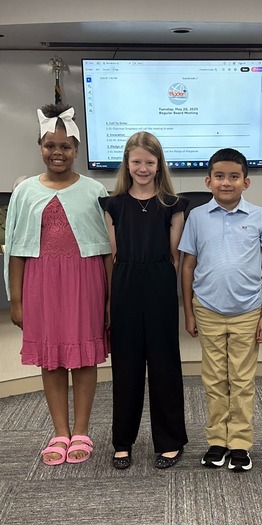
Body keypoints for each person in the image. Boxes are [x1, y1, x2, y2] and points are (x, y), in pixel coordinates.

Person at [6, 106, 109, 466]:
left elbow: (107, 249)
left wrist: (110, 299)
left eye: (66, 146)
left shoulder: (95, 190)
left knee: (82, 359)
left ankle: (81, 429)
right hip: (41, 282)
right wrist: (15, 299)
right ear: (40, 147)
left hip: (85, 281)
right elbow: (16, 248)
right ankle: (59, 431)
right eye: (51, 145)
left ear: (77, 149)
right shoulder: (24, 191)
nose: (58, 152)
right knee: (51, 361)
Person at [180, 148, 262, 472]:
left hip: (248, 310)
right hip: (207, 309)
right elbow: (187, 266)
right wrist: (188, 312)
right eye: (219, 176)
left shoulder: (260, 217)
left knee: (242, 379)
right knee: (214, 379)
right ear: (208, 181)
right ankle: (217, 442)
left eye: (234, 176)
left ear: (246, 182)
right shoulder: (196, 217)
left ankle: (239, 444)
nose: (226, 182)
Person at [103, 132, 189, 470]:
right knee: (126, 366)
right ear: (127, 163)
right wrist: (111, 301)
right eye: (136, 161)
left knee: (165, 364)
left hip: (159, 283)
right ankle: (122, 441)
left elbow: (174, 255)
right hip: (125, 283)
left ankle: (169, 441)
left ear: (158, 165)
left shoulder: (174, 205)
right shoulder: (113, 205)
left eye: (149, 162)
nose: (142, 168)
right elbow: (113, 254)